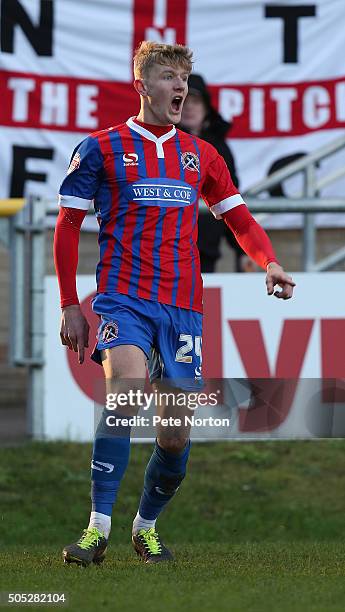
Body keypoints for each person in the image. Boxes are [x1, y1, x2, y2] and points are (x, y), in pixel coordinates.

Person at [54, 41, 295, 566]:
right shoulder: (101, 147)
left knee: (174, 436)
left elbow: (238, 218)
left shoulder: (200, 154)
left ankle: (146, 527)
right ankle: (97, 530)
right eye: (168, 76)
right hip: (124, 299)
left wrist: (269, 261)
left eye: (184, 78)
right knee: (125, 394)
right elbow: (69, 224)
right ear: (141, 85)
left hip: (182, 309)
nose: (180, 87)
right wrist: (70, 303)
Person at [179, 73, 244, 272]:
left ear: (206, 106)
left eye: (195, 101)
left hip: (205, 251)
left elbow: (229, 200)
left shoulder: (219, 148)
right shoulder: (159, 143)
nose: (189, 107)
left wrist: (242, 251)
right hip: (163, 249)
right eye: (183, 101)